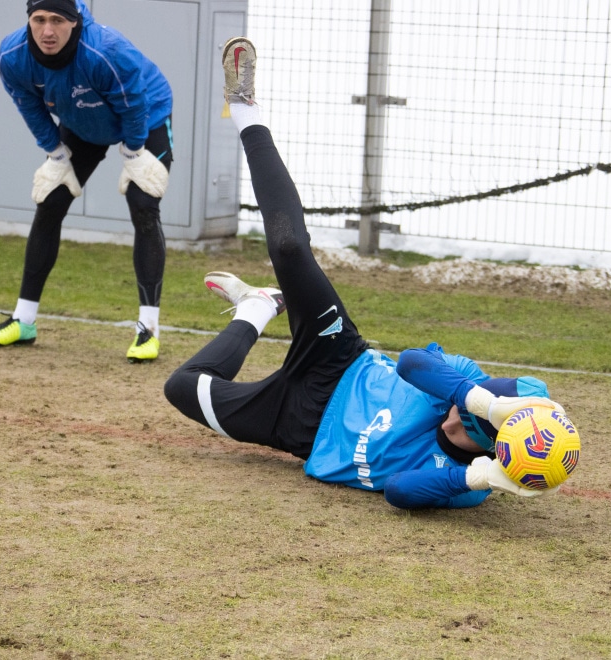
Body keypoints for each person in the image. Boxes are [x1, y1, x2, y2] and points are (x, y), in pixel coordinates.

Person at [164, 37, 577, 509]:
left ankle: (256, 307)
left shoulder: (469, 481)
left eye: (468, 433)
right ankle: (245, 111)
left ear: (492, 457)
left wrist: (477, 478)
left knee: (180, 387)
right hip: (338, 359)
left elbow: (400, 491)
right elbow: (411, 363)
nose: (453, 422)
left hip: (298, 428)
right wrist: (481, 401)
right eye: (466, 413)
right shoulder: (467, 382)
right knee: (289, 247)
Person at [0, 0, 174, 363]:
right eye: (38, 20)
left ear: (75, 21)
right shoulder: (12, 55)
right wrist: (55, 154)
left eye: (57, 20)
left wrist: (132, 154)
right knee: (50, 201)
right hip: (83, 122)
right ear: (29, 21)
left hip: (146, 115)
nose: (47, 31)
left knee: (143, 203)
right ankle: (23, 321)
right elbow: (29, 106)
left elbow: (134, 105)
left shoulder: (107, 52)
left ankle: (148, 329)